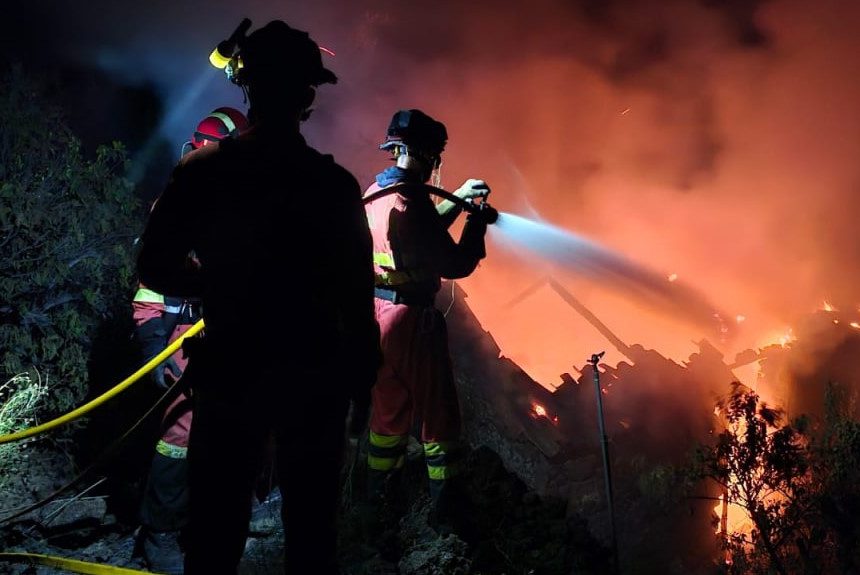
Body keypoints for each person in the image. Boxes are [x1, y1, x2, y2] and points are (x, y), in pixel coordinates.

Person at [135, 19, 381, 575]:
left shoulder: (202, 172)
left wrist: (216, 285)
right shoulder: (335, 187)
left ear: (246, 87)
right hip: (313, 380)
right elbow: (356, 299)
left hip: (230, 373)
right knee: (311, 537)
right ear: (307, 97)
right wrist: (362, 382)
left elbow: (154, 264)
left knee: (214, 535)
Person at [361, 108, 491, 538]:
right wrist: (475, 223)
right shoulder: (411, 202)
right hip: (413, 322)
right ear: (428, 154)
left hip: (379, 316)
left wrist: (457, 196)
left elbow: (421, 237)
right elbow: (453, 262)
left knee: (388, 416)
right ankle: (447, 514)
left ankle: (378, 508)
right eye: (436, 156)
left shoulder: (378, 192)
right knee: (439, 417)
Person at [132, 106, 249, 574]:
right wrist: (153, 345)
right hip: (185, 335)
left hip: (235, 333)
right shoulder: (178, 204)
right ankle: (159, 531)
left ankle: (216, 521)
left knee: (234, 428)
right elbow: (150, 286)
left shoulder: (245, 202)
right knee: (178, 435)